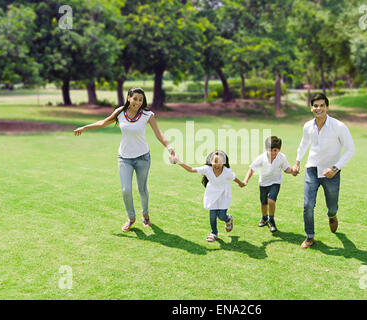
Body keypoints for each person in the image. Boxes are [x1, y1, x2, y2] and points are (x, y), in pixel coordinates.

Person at [74, 87, 175, 232]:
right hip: (124, 158)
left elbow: (159, 134)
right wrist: (85, 127)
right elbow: (103, 123)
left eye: (140, 100)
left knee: (142, 188)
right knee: (126, 190)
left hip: (143, 158)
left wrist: (169, 148)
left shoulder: (147, 115)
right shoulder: (120, 112)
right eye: (135, 99)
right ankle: (131, 218)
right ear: (129, 98)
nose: (137, 102)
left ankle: (145, 215)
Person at [292, 93, 355, 249]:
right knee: (308, 205)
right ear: (311, 108)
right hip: (312, 169)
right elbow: (304, 143)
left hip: (332, 173)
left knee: (332, 206)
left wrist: (335, 168)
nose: (318, 108)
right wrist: (297, 162)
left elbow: (350, 150)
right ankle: (310, 236)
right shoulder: (307, 126)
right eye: (315, 106)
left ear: (327, 107)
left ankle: (332, 215)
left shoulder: (339, 127)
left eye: (322, 105)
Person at [172, 150, 245, 242]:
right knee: (212, 215)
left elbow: (235, 178)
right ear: (211, 161)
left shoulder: (226, 172)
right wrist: (178, 161)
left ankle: (228, 219)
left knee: (221, 216)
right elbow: (191, 169)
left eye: (220, 162)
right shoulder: (207, 169)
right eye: (215, 161)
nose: (217, 164)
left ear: (224, 163)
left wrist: (241, 183)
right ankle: (214, 233)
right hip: (212, 193)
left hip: (224, 194)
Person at [243, 136, 295, 232]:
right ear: (266, 149)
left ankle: (271, 219)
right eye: (271, 150)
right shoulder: (261, 158)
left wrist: (292, 171)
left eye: (275, 150)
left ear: (279, 149)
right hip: (263, 183)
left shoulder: (282, 157)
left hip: (275, 182)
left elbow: (286, 169)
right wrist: (246, 180)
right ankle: (264, 217)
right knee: (263, 203)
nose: (273, 153)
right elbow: (251, 169)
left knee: (271, 201)